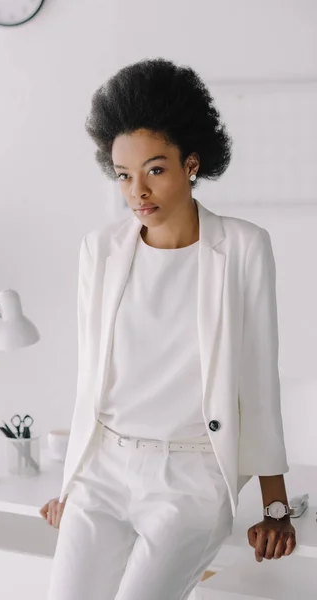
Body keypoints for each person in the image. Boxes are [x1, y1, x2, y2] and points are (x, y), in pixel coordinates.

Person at [40, 58, 296, 600]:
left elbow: (258, 379)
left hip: (191, 477)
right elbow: (91, 377)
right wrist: (72, 485)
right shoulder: (101, 250)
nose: (138, 192)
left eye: (155, 169)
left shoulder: (244, 248)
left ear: (192, 164)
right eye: (124, 176)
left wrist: (275, 505)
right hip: (103, 470)